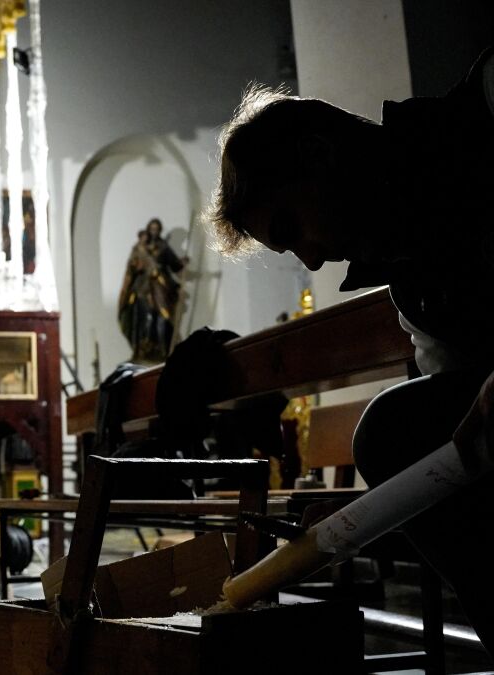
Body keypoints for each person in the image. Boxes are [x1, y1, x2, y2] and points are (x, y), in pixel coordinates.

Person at [207, 47, 494, 650]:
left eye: (292, 230)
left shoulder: (484, 109)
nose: (312, 260)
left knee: (391, 429)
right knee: (398, 432)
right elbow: (455, 441)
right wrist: (361, 516)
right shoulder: (414, 290)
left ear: (319, 154)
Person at [117, 218, 186, 363]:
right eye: (152, 229)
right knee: (143, 317)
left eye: (157, 229)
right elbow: (131, 267)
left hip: (160, 288)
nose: (154, 232)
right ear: (148, 230)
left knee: (162, 318)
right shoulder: (140, 247)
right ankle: (142, 349)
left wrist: (182, 262)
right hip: (142, 288)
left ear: (160, 231)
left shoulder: (163, 247)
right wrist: (136, 266)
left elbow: (174, 265)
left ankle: (162, 350)